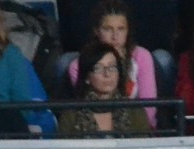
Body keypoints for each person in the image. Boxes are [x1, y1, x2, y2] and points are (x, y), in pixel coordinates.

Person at [66, 0, 156, 128]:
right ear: (96, 31)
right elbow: (86, 108)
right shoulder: (78, 65)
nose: (115, 36)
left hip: (137, 129)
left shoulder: (142, 57)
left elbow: (149, 109)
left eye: (121, 29)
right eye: (108, 29)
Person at [58, 40, 151, 136]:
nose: (107, 74)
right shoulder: (71, 114)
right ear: (87, 77)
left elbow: (145, 148)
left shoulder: (134, 110)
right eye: (98, 68)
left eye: (112, 67)